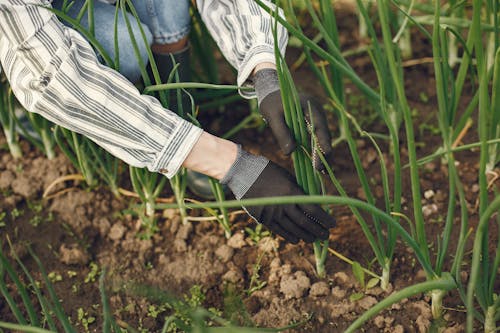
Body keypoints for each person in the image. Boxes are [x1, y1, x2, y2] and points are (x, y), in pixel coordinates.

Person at [0, 0, 335, 244]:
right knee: (126, 47)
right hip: (26, 35)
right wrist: (233, 165)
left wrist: (266, 72)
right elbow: (56, 80)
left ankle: (176, 119)